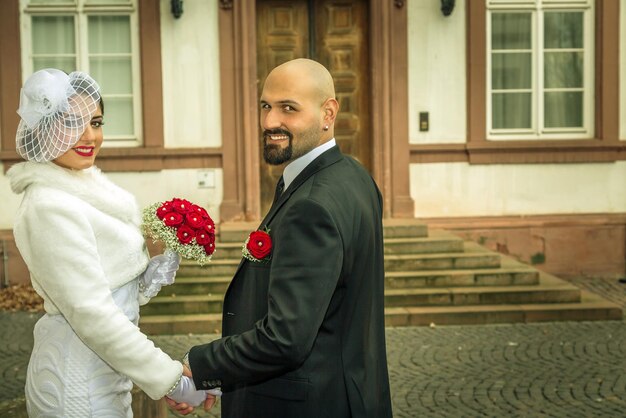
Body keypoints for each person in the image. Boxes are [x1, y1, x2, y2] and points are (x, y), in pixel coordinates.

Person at [168, 58, 393, 417]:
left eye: (289, 108)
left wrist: (201, 368)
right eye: (266, 106)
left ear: (328, 113)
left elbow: (285, 339)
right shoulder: (354, 176)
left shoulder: (312, 205)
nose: (271, 121)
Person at [8, 68, 211, 417]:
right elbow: (93, 314)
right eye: (72, 122)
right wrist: (173, 380)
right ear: (43, 129)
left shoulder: (88, 188)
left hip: (107, 380)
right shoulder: (48, 205)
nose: (89, 136)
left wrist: (153, 269)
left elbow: (113, 288)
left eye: (97, 122)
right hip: (73, 387)